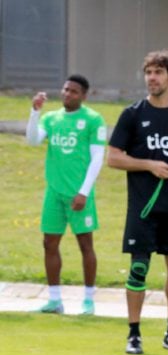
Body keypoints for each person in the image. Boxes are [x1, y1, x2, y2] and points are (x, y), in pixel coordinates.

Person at [107, 50, 168, 355]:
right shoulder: (132, 114)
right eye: (148, 72)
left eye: (158, 72)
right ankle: (133, 333)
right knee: (138, 267)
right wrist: (150, 165)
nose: (152, 78)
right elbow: (114, 158)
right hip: (143, 206)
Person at [25, 75, 107, 316]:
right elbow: (32, 141)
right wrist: (34, 112)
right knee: (49, 243)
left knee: (85, 244)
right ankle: (54, 300)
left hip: (79, 194)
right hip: (54, 192)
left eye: (73, 91)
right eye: (65, 89)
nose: (67, 94)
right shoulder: (52, 118)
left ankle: (89, 300)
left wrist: (83, 192)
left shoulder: (93, 120)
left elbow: (97, 158)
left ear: (84, 95)